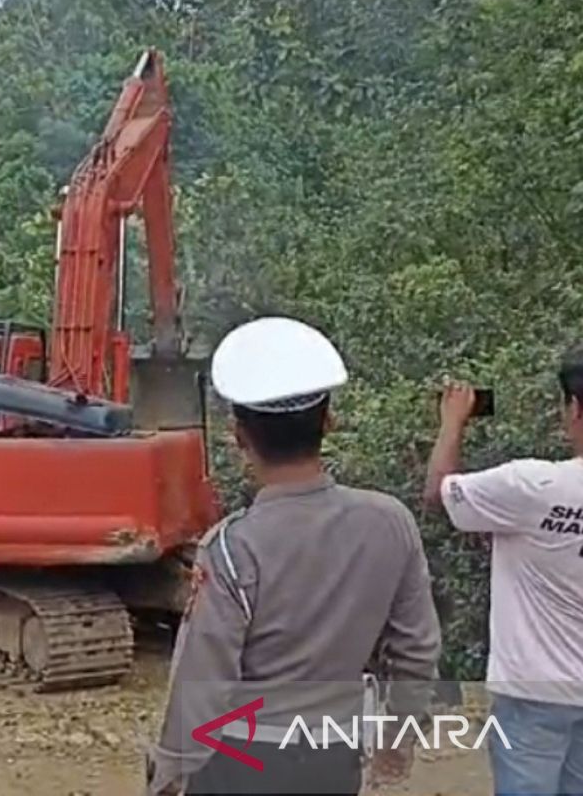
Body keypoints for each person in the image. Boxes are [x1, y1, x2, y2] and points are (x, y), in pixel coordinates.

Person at [148, 316, 440, 796]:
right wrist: (398, 738)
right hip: (334, 755)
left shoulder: (231, 545)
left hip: (239, 758)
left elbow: (203, 675)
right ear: (329, 421)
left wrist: (172, 768)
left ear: (239, 435)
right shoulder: (391, 522)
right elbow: (417, 649)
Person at [424, 351, 583, 796]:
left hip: (534, 690)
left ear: (574, 409)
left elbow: (438, 493)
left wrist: (453, 420)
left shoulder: (532, 486)